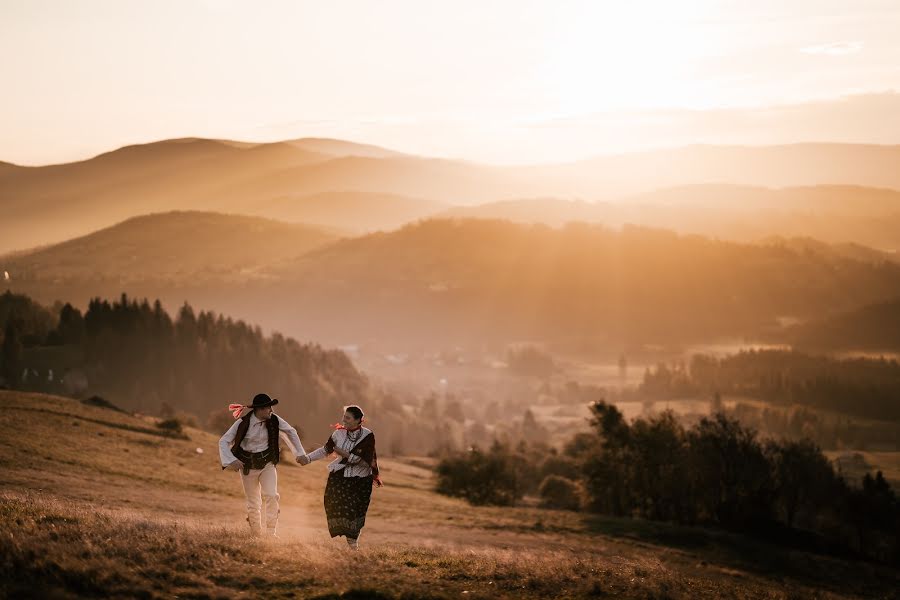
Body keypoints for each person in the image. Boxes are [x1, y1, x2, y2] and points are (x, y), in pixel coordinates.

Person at [219, 392, 309, 537]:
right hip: (247, 466)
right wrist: (231, 460)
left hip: (267, 463)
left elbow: (290, 432)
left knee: (272, 495)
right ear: (259, 409)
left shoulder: (274, 420)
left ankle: (270, 533)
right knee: (253, 502)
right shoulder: (243, 423)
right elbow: (223, 441)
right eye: (268, 408)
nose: (271, 411)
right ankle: (256, 534)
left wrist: (300, 454)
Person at [304, 404, 382, 549]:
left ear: (358, 420)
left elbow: (361, 460)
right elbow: (325, 450)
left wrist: (341, 451)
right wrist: (307, 458)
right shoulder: (338, 434)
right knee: (334, 505)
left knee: (355, 512)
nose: (343, 420)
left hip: (360, 479)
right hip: (340, 476)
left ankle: (353, 545)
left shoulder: (368, 436)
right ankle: (351, 544)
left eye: (347, 418)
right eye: (344, 416)